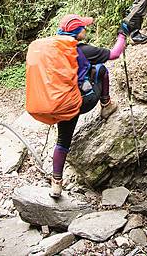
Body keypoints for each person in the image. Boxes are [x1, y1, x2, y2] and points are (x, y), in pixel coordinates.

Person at [49, 14, 127, 198]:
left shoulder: (54, 47)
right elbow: (114, 54)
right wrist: (122, 35)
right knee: (100, 69)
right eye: (83, 27)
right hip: (82, 101)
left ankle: (56, 185)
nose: (86, 29)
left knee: (62, 142)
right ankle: (106, 104)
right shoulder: (82, 49)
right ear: (77, 32)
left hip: (61, 102)